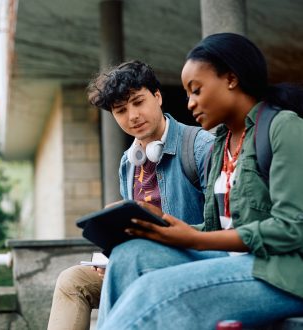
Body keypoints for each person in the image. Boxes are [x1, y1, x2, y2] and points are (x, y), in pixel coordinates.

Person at [96, 33, 303, 330]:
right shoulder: (222, 142)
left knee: (153, 289)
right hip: (231, 259)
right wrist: (159, 225)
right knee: (130, 255)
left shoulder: (284, 127)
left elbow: (292, 229)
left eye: (196, 90)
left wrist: (195, 239)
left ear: (231, 79)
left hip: (281, 274)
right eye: (187, 94)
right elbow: (218, 229)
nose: (190, 103)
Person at [47, 60, 214, 330]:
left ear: (157, 96)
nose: (132, 116)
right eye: (121, 110)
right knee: (72, 280)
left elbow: (222, 227)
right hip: (138, 264)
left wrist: (164, 235)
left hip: (187, 262)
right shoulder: (128, 162)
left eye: (138, 102)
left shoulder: (199, 146)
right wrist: (113, 253)